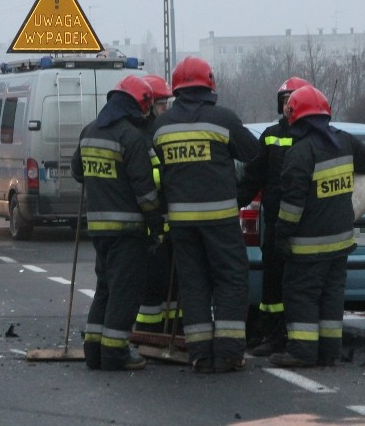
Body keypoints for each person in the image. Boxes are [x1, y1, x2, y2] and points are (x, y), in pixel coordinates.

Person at [152, 56, 259, 373]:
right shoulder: (223, 119)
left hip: (181, 224)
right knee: (230, 281)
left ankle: (198, 353)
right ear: (209, 85)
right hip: (221, 221)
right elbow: (253, 154)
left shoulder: (161, 127)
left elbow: (153, 171)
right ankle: (228, 353)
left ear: (177, 89)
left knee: (193, 285)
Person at [270, 86, 365, 368]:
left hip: (308, 245)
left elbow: (292, 205)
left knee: (301, 296)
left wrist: (281, 235)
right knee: (332, 297)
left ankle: (302, 352)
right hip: (341, 242)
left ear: (297, 117)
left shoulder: (299, 153)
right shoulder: (345, 143)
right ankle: (330, 351)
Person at [71, 75, 163, 371]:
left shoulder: (89, 131)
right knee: (124, 292)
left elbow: (77, 171)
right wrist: (156, 226)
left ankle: (93, 351)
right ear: (137, 106)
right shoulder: (131, 137)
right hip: (128, 230)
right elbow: (146, 192)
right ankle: (114, 353)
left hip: (98, 229)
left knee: (105, 289)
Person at [237, 76, 312, 357]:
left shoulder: (317, 137)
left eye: (293, 102)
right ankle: (272, 335)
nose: (288, 107)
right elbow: (252, 177)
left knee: (303, 282)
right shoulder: (269, 135)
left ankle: (304, 339)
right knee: (273, 283)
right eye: (284, 102)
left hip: (309, 224)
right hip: (275, 222)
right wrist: (233, 201)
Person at [134, 74, 180, 335]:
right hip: (152, 221)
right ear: (149, 105)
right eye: (162, 104)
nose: (166, 109)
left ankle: (171, 328)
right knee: (154, 282)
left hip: (165, 218)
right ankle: (149, 331)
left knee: (171, 283)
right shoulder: (147, 136)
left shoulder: (159, 131)